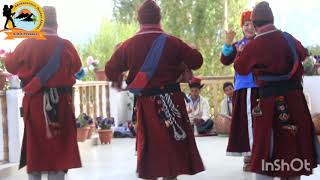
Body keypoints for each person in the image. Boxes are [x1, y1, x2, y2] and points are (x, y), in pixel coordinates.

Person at [105, 0, 204, 179]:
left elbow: (110, 70)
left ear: (139, 19)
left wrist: (123, 76)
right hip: (172, 100)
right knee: (172, 152)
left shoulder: (128, 45)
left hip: (147, 104)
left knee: (150, 153)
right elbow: (197, 61)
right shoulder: (174, 42)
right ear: (160, 18)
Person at [234, 2, 318, 180]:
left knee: (266, 149)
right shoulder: (288, 38)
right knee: (293, 146)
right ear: (273, 19)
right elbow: (303, 53)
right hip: (295, 100)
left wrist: (241, 53)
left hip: (268, 103)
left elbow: (240, 68)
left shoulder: (253, 45)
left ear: (255, 25)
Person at [3, 6, 82, 180]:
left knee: (36, 149)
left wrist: (9, 55)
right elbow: (77, 67)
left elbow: (11, 65)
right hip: (61, 103)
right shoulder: (66, 45)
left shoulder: (26, 43)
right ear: (56, 24)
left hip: (36, 103)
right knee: (58, 150)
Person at [220, 10, 258, 172]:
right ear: (242, 27)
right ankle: (249, 157)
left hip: (259, 88)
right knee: (245, 122)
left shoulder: (261, 42)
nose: (250, 28)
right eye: (246, 24)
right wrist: (228, 44)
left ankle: (259, 155)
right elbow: (225, 60)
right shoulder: (238, 45)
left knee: (257, 122)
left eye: (253, 24)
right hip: (243, 88)